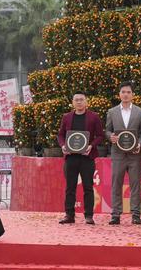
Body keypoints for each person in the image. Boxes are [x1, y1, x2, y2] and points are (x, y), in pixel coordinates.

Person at [57, 91, 105, 225]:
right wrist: (62, 145)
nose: (79, 102)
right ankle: (69, 215)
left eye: (81, 99)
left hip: (87, 158)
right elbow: (60, 135)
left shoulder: (94, 117)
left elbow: (100, 135)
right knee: (70, 187)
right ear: (73, 102)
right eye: (76, 100)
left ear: (86, 101)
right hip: (71, 157)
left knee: (88, 187)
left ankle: (89, 216)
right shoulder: (66, 117)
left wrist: (91, 145)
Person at [105, 81, 141, 225]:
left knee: (135, 184)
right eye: (123, 92)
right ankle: (115, 214)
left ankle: (136, 214)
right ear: (119, 94)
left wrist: (140, 143)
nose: (126, 94)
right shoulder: (112, 112)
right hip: (118, 154)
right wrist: (111, 137)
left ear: (133, 95)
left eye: (128, 92)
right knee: (116, 184)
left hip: (134, 154)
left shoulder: (140, 112)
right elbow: (107, 130)